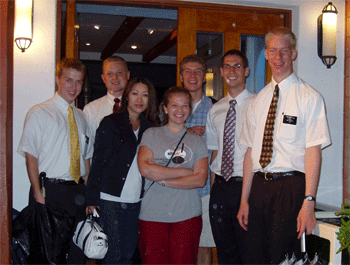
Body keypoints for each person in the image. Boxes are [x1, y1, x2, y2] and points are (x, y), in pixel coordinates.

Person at [237, 27, 332, 264]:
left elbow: (313, 153)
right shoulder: (257, 101)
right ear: (266, 54)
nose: (278, 57)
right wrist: (244, 200)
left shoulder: (310, 97)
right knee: (255, 258)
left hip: (291, 188)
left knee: (285, 258)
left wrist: (308, 202)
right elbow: (250, 153)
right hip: (259, 186)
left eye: (284, 51)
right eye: (273, 51)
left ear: (294, 54)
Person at [17, 58, 92, 264]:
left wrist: (88, 193)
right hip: (49, 191)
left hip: (76, 192)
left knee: (77, 252)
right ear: (58, 79)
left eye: (78, 82)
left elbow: (85, 158)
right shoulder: (40, 112)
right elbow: (31, 155)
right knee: (49, 255)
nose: (74, 87)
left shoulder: (82, 117)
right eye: (69, 80)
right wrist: (37, 192)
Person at [86, 77, 159, 264]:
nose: (139, 99)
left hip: (137, 201)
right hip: (110, 200)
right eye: (135, 93)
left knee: (129, 254)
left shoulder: (150, 127)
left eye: (145, 95)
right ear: (127, 96)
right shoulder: (111, 122)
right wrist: (92, 199)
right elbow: (98, 161)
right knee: (112, 256)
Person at [137, 87, 209, 264]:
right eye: (174, 105)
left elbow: (200, 179)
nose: (180, 110)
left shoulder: (198, 141)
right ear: (165, 108)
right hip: (152, 216)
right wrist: (184, 173)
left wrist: (161, 179)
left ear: (190, 109)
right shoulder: (151, 134)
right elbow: (145, 169)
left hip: (187, 216)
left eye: (185, 105)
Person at [205, 49, 254, 264]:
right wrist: (214, 187)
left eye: (237, 66)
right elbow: (215, 152)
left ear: (246, 71)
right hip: (221, 188)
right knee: (224, 252)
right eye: (227, 66)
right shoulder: (215, 109)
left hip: (248, 185)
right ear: (222, 71)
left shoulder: (258, 104)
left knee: (248, 250)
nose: (231, 71)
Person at [179, 54, 215, 265]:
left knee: (204, 246)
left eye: (198, 72)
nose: (193, 76)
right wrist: (186, 132)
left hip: (205, 191)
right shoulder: (167, 108)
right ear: (181, 76)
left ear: (204, 77)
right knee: (179, 244)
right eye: (188, 71)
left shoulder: (216, 109)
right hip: (175, 189)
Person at [83, 56, 130, 142]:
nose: (115, 77)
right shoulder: (90, 109)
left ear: (127, 75)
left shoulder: (137, 107)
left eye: (119, 73)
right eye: (109, 74)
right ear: (103, 78)